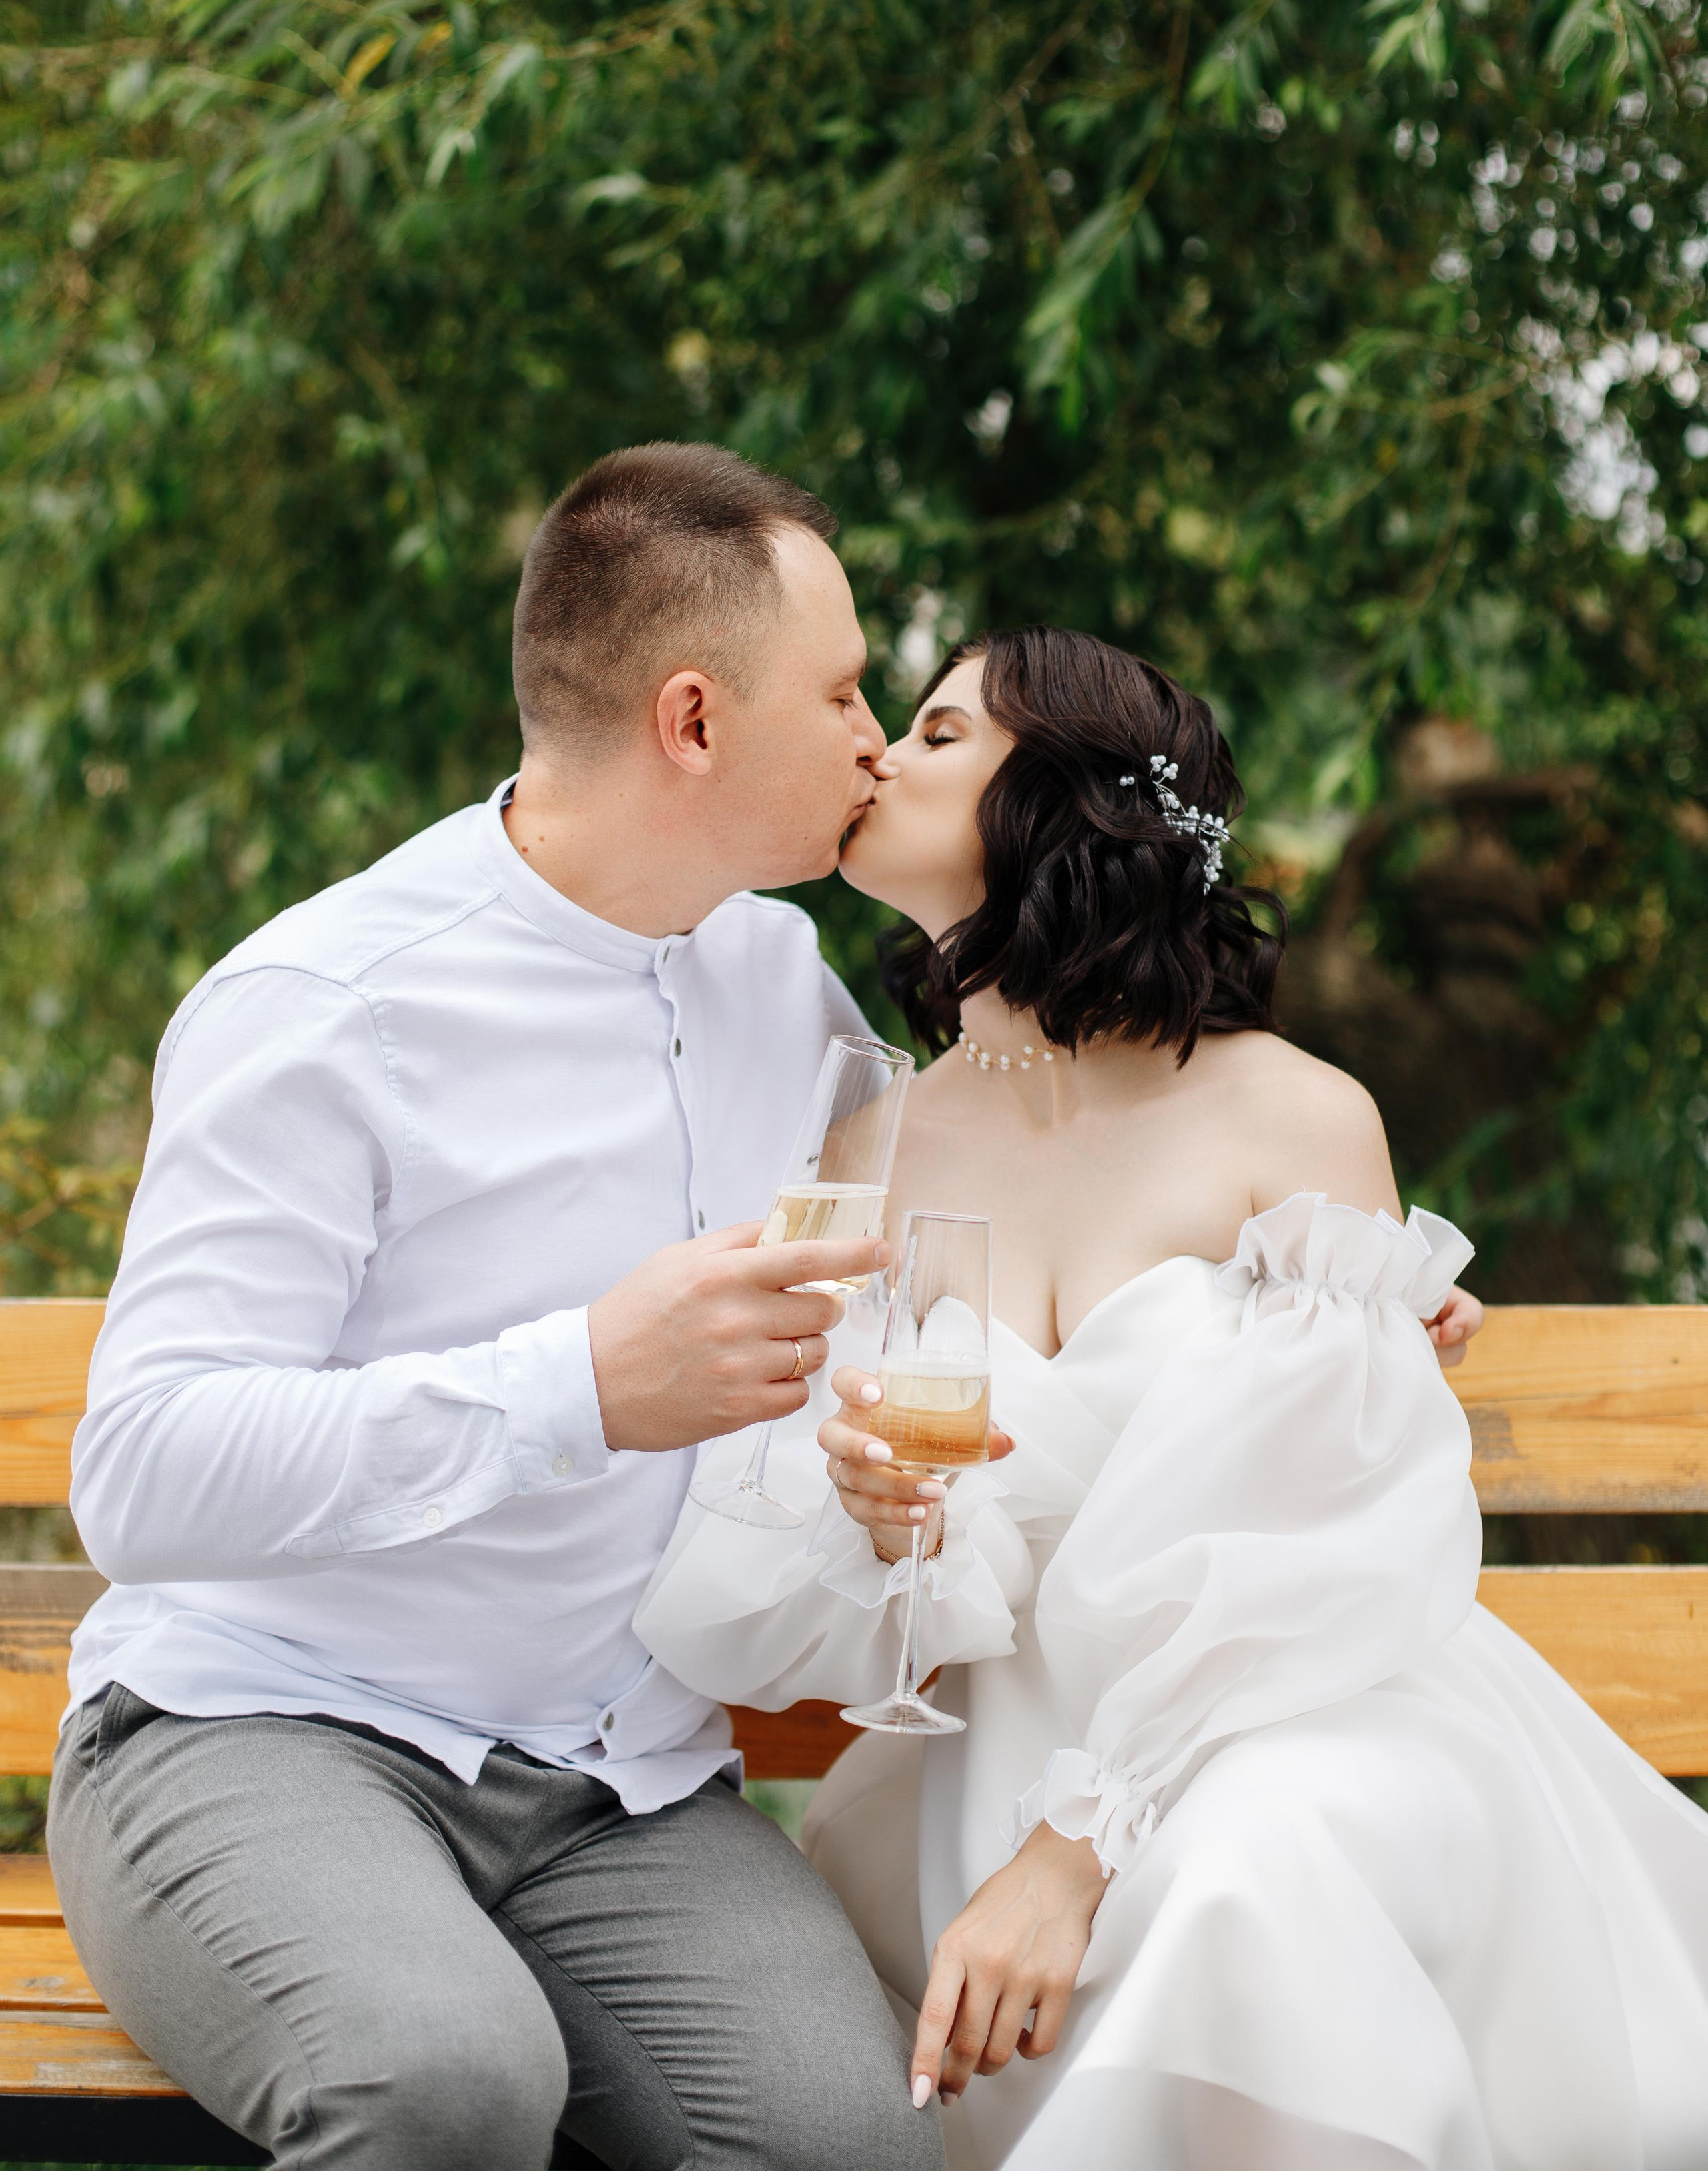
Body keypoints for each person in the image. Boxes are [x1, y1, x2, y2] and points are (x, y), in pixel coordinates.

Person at [636, 625, 1708, 2171]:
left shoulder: (1292, 1116)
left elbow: (1331, 1542)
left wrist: (1075, 1850)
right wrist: (874, 1522)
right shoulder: (869, 1153)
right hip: (982, 1759)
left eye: (937, 733)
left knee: (1251, 1882)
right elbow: (865, 1559)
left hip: (1289, 1715)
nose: (880, 749)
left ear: (1055, 800)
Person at [47, 445, 948, 2171]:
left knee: (862, 2144)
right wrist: (583, 1384)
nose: (874, 738)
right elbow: (143, 1475)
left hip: (622, 1778)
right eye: (841, 691)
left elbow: (969, 1186)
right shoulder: (328, 1005)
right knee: (447, 2084)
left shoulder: (783, 980)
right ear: (693, 719)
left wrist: (1316, 1298)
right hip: (266, 1729)